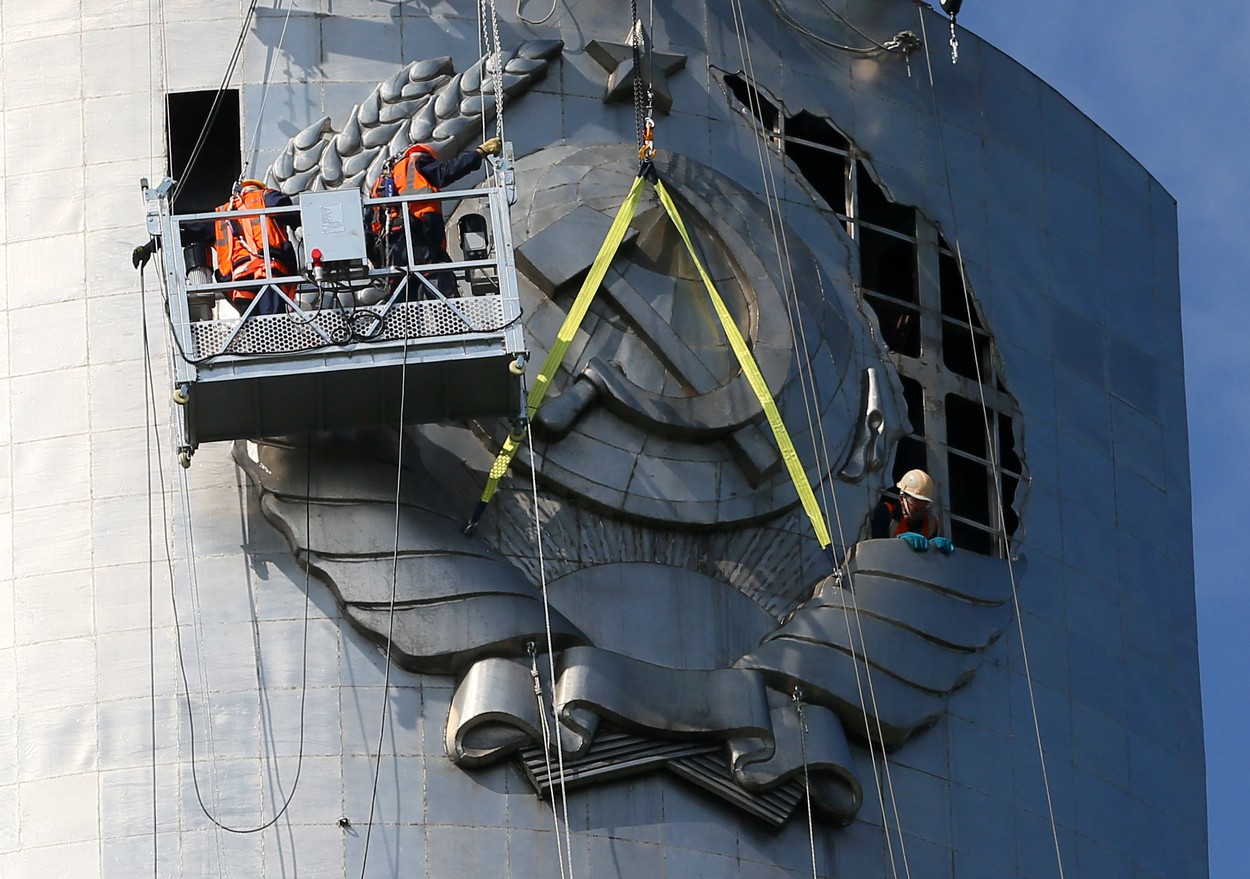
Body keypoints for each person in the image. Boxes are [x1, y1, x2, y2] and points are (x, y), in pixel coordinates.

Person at [132, 178, 299, 318]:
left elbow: (183, 231)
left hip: (240, 282)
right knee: (273, 322)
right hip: (268, 273)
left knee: (254, 327)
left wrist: (148, 248)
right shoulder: (265, 197)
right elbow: (288, 211)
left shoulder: (220, 215)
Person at [368, 136, 502, 299]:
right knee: (441, 286)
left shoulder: (379, 184)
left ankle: (399, 324)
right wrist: (479, 153)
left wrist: (376, 260)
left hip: (393, 250)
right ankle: (453, 324)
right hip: (418, 236)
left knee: (402, 301)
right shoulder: (416, 162)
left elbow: (368, 226)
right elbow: (445, 172)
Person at [870, 468, 955, 554]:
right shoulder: (885, 512)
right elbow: (876, 549)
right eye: (916, 501)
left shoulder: (931, 524)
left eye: (925, 503)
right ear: (902, 498)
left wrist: (934, 548)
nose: (921, 508)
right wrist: (899, 541)